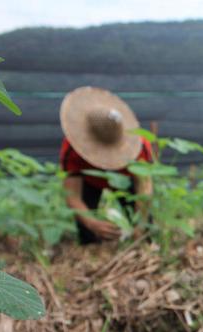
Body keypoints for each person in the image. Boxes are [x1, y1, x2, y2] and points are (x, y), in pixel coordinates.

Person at [59, 86, 153, 244]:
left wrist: (140, 224)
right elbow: (72, 194)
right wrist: (92, 223)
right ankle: (90, 246)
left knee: (145, 230)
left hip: (126, 180)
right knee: (86, 233)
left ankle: (144, 244)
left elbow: (144, 188)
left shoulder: (139, 146)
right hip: (89, 182)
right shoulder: (73, 148)